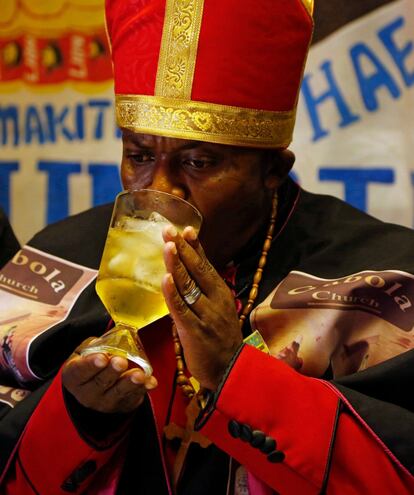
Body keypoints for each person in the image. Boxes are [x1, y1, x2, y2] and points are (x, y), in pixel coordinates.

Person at [1, 0, 414, 493]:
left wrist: (235, 374)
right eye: (138, 156)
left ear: (272, 173)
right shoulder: (63, 253)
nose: (161, 192)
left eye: (198, 163)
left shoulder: (383, 282)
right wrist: (81, 416)